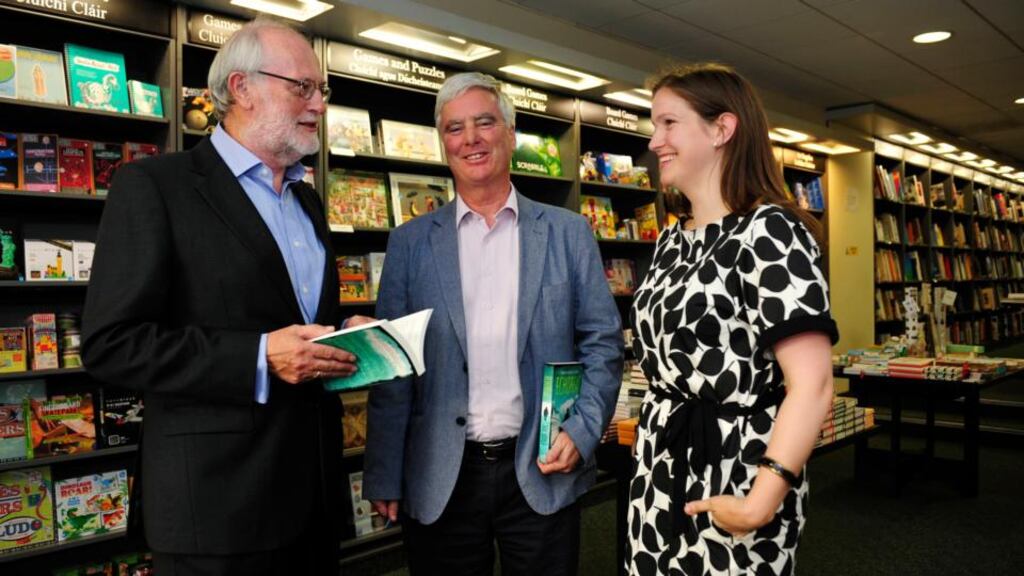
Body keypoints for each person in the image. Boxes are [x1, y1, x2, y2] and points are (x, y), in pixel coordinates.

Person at [82, 18, 361, 575]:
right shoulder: (157, 187)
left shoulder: (308, 202)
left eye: (321, 90)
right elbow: (112, 343)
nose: (319, 106)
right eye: (302, 87)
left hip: (313, 503)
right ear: (241, 88)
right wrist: (259, 356)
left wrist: (341, 334)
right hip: (216, 512)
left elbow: (293, 325)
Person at [363, 72, 623, 575]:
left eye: (484, 123)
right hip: (441, 474)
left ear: (510, 131)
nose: (471, 139)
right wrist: (383, 473)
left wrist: (584, 429)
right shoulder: (410, 243)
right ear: (443, 143)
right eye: (455, 129)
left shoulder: (568, 233)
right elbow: (391, 366)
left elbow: (603, 342)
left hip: (542, 467)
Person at [625, 63, 838, 575]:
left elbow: (812, 384)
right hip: (660, 469)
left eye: (668, 124)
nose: (655, 141)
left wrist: (759, 503)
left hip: (738, 472)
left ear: (722, 129)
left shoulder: (770, 231)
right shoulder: (673, 239)